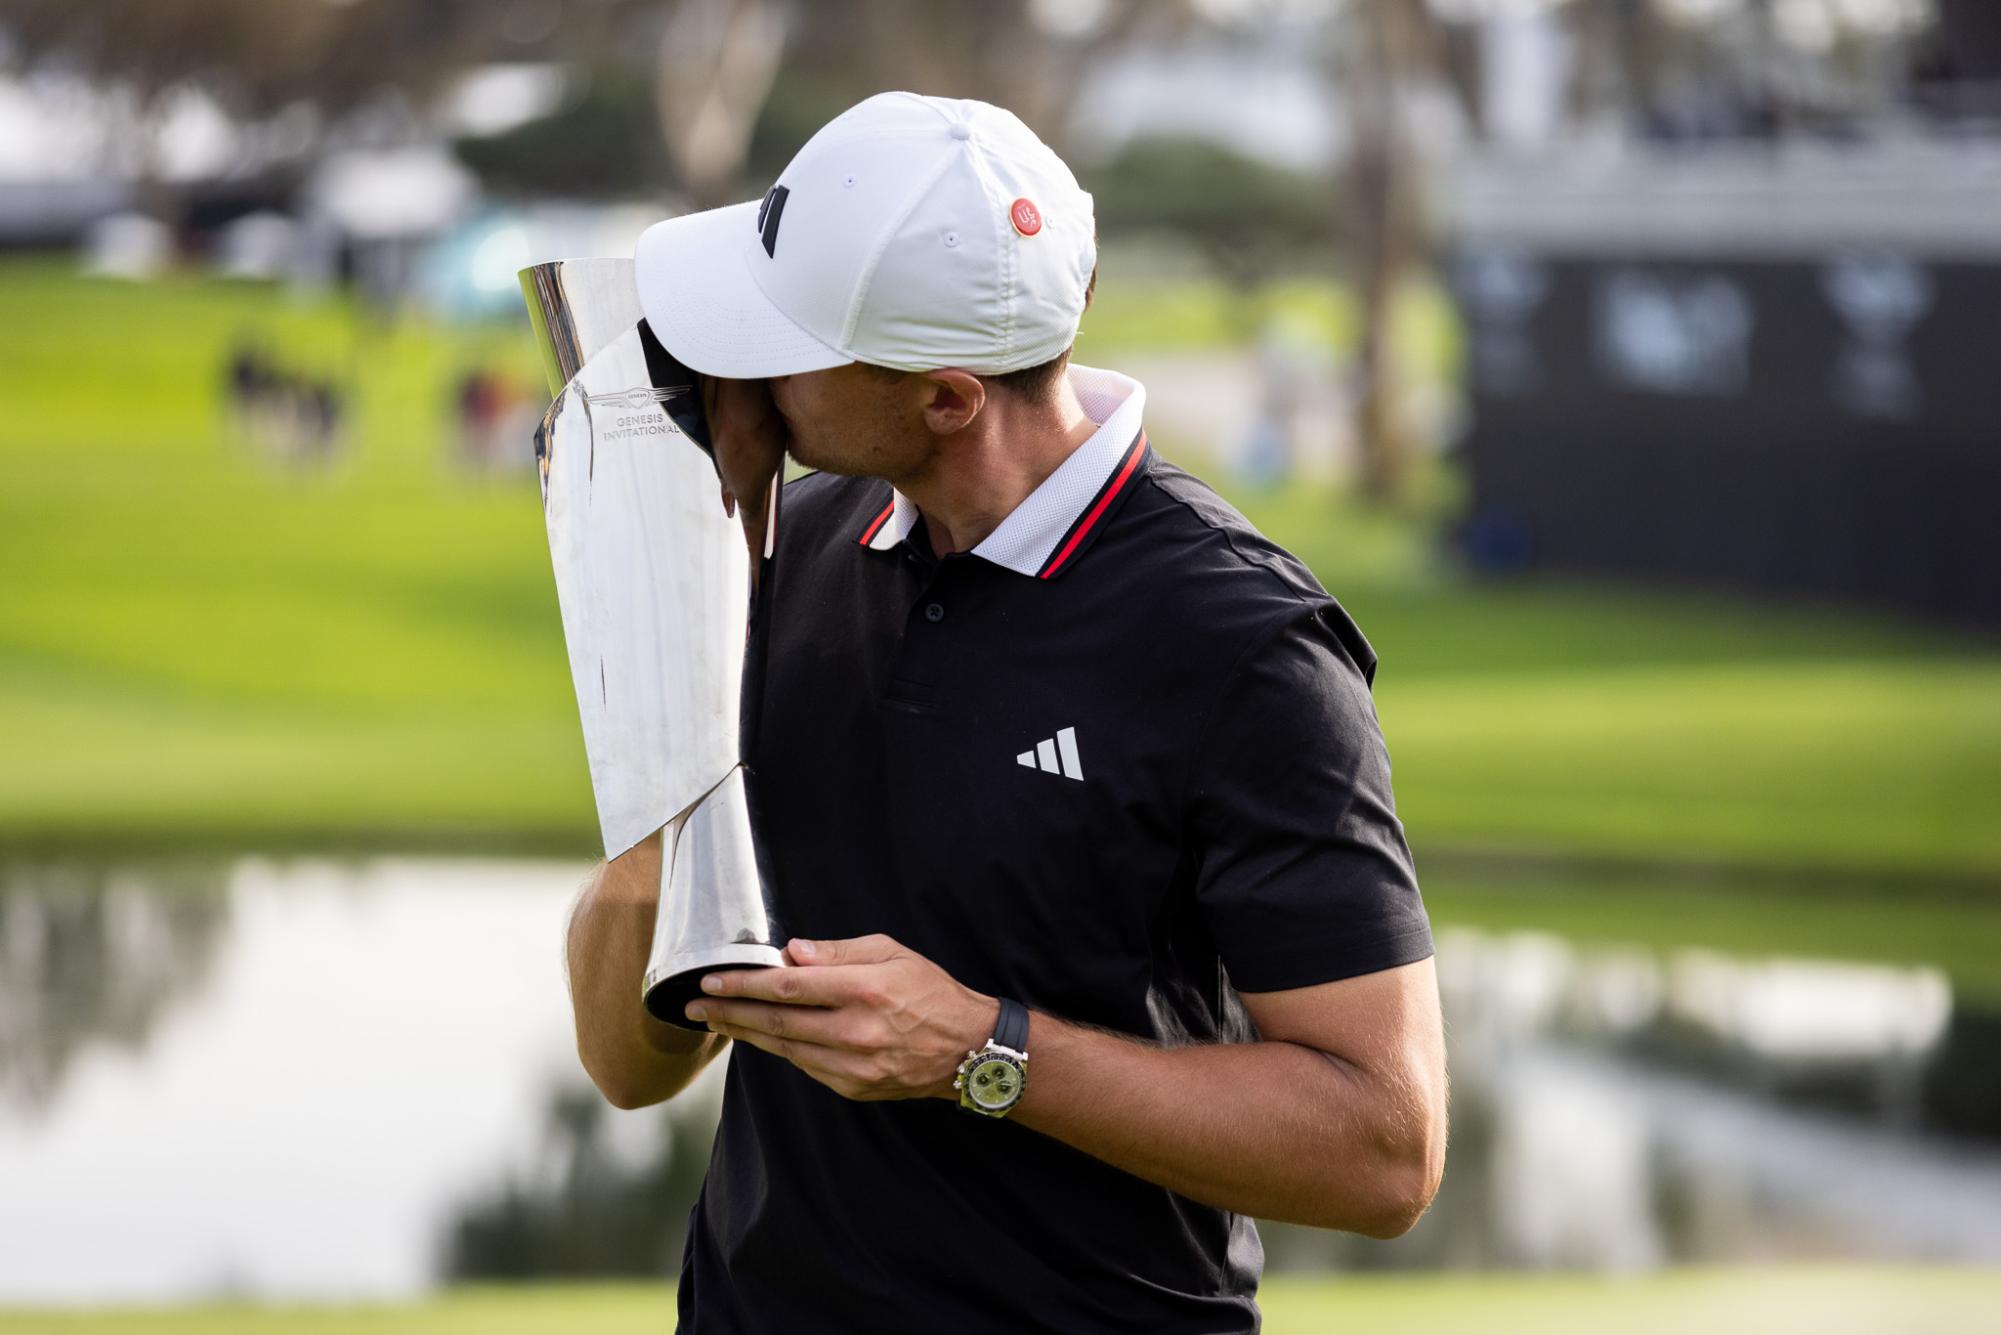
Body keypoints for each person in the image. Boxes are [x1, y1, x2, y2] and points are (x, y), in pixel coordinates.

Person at [565, 92, 1447, 1335]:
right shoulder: (778, 553)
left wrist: (983, 1051)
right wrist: (681, 619)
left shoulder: (1244, 646)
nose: (740, 375)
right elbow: (625, 1060)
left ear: (945, 400)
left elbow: (1385, 1147)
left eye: (787, 342)